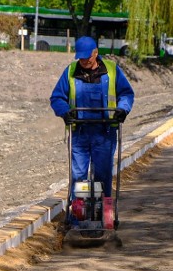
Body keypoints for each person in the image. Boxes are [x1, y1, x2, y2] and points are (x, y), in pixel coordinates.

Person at [50, 35, 135, 200]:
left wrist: (122, 110)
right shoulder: (70, 72)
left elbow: (126, 94)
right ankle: (79, 213)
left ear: (95, 53)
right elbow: (57, 97)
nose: (84, 61)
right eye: (80, 58)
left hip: (105, 131)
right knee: (79, 175)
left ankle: (102, 210)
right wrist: (65, 112)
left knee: (102, 174)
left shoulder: (111, 70)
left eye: (87, 57)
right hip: (80, 132)